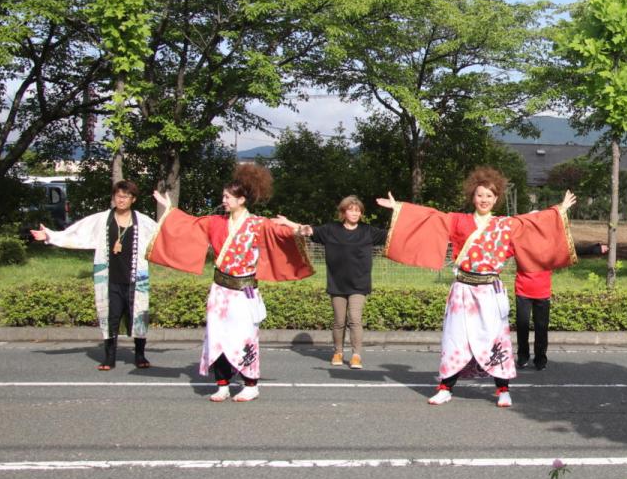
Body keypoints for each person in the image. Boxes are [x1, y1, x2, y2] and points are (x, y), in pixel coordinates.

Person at [377, 167, 576, 407]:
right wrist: (399, 208)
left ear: (496, 198)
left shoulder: (505, 224)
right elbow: (431, 217)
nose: (484, 199)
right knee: (455, 339)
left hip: (489, 291)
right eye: (480, 195)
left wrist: (559, 210)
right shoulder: (458, 221)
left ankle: (503, 390)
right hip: (462, 291)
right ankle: (445, 388)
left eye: (489, 196)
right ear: (473, 196)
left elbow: (534, 223)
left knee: (495, 340)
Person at [149, 164, 313, 402]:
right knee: (217, 336)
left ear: (241, 200)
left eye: (227, 197)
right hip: (220, 291)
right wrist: (170, 210)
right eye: (224, 196)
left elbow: (281, 233)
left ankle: (250, 384)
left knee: (245, 337)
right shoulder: (216, 222)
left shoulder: (257, 224)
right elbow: (190, 225)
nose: (223, 200)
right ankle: (222, 384)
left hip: (244, 290)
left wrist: (299, 229)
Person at [31, 180, 158, 370]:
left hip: (135, 278)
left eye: (126, 196)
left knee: (139, 316)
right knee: (110, 317)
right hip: (109, 279)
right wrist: (51, 236)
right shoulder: (101, 219)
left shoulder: (143, 221)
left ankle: (140, 355)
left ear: (133, 199)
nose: (121, 200)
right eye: (118, 196)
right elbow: (76, 233)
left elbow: (163, 237)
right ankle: (109, 357)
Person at [278, 196, 388, 369]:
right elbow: (308, 230)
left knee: (355, 319)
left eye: (358, 210)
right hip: (337, 283)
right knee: (339, 321)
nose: (355, 213)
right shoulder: (331, 229)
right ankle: (338, 352)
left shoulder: (368, 231)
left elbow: (394, 234)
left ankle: (356, 355)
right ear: (343, 212)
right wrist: (287, 222)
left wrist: (397, 208)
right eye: (351, 210)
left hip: (359, 284)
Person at [514, 242, 607, 370]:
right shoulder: (520, 240)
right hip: (522, 290)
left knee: (541, 328)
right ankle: (523, 357)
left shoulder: (548, 243)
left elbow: (568, 250)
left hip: (542, 292)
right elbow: (500, 249)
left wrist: (594, 249)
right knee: (522, 326)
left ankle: (540, 360)